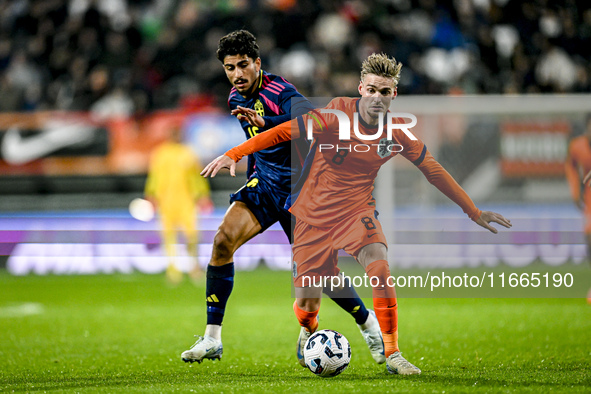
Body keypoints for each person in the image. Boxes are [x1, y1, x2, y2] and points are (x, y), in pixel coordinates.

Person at [202, 53, 513, 374]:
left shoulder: (397, 132)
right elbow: (284, 133)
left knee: (379, 265)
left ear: (394, 96)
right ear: (361, 88)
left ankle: (393, 354)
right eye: (373, 90)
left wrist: (473, 211)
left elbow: (433, 170)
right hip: (311, 212)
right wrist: (233, 153)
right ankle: (309, 329)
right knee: (307, 305)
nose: (378, 98)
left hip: (355, 210)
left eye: (386, 92)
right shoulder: (336, 115)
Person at [181, 30, 385, 366]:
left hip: (305, 191)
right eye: (230, 68)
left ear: (257, 63)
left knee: (321, 275)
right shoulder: (235, 97)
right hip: (264, 186)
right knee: (222, 241)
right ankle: (212, 338)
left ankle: (368, 324)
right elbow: (263, 147)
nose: (237, 74)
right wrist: (250, 180)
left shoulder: (280, 91)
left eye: (243, 65)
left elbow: (312, 120)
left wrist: (268, 121)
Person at [145, 127, 212, 284]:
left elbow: (197, 177)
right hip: (165, 201)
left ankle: (194, 268)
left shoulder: (188, 153)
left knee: (192, 236)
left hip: (186, 201)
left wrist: (202, 195)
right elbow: (154, 176)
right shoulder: (160, 153)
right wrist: (151, 196)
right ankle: (173, 271)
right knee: (168, 236)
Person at [567, 115, 591, 303]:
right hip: (589, 198)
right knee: (589, 235)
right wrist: (575, 192)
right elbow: (570, 166)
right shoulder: (577, 146)